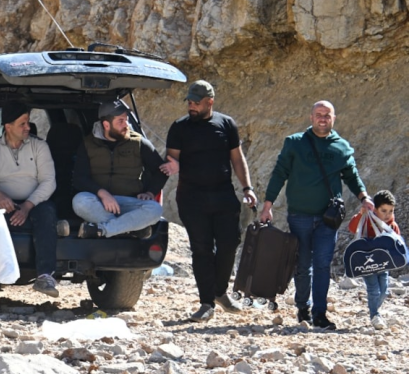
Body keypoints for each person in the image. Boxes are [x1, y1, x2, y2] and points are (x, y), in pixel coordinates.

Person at [259, 100, 373, 330]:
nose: (323, 119)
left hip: (328, 218)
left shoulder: (341, 147)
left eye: (327, 115)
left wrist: (364, 197)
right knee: (302, 264)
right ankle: (303, 307)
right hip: (299, 215)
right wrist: (267, 204)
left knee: (322, 264)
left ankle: (320, 313)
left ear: (334, 118)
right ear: (311, 117)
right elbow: (280, 173)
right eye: (319, 114)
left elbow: (351, 176)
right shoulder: (295, 143)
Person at [163, 80, 257, 322]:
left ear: (209, 102)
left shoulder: (226, 124)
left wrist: (247, 188)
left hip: (223, 195)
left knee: (229, 243)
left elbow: (237, 158)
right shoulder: (179, 127)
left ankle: (220, 292)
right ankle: (206, 303)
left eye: (196, 103)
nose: (191, 106)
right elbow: (171, 159)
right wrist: (172, 166)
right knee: (202, 249)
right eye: (189, 102)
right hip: (191, 198)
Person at [0, 102, 59, 297]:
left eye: (28, 123)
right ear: (8, 127)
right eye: (22, 124)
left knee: (48, 211)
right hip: (3, 205)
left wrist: (27, 206)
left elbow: (49, 182)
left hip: (34, 203)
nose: (28, 127)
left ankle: (45, 277)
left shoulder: (40, 147)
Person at [72, 99, 174, 239]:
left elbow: (161, 170)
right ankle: (129, 228)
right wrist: (102, 193)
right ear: (106, 125)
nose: (126, 124)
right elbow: (79, 179)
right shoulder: (88, 144)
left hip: (129, 203)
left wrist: (150, 192)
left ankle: (103, 230)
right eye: (120, 121)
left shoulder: (138, 143)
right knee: (80, 201)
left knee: (155, 209)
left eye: (126, 120)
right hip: (99, 203)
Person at [348, 190, 399, 330]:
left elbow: (396, 241)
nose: (387, 215)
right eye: (384, 211)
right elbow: (352, 227)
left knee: (384, 290)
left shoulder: (391, 225)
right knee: (374, 290)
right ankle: (375, 315)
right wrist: (361, 214)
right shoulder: (366, 220)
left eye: (391, 211)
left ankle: (374, 309)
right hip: (367, 262)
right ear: (375, 209)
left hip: (384, 263)